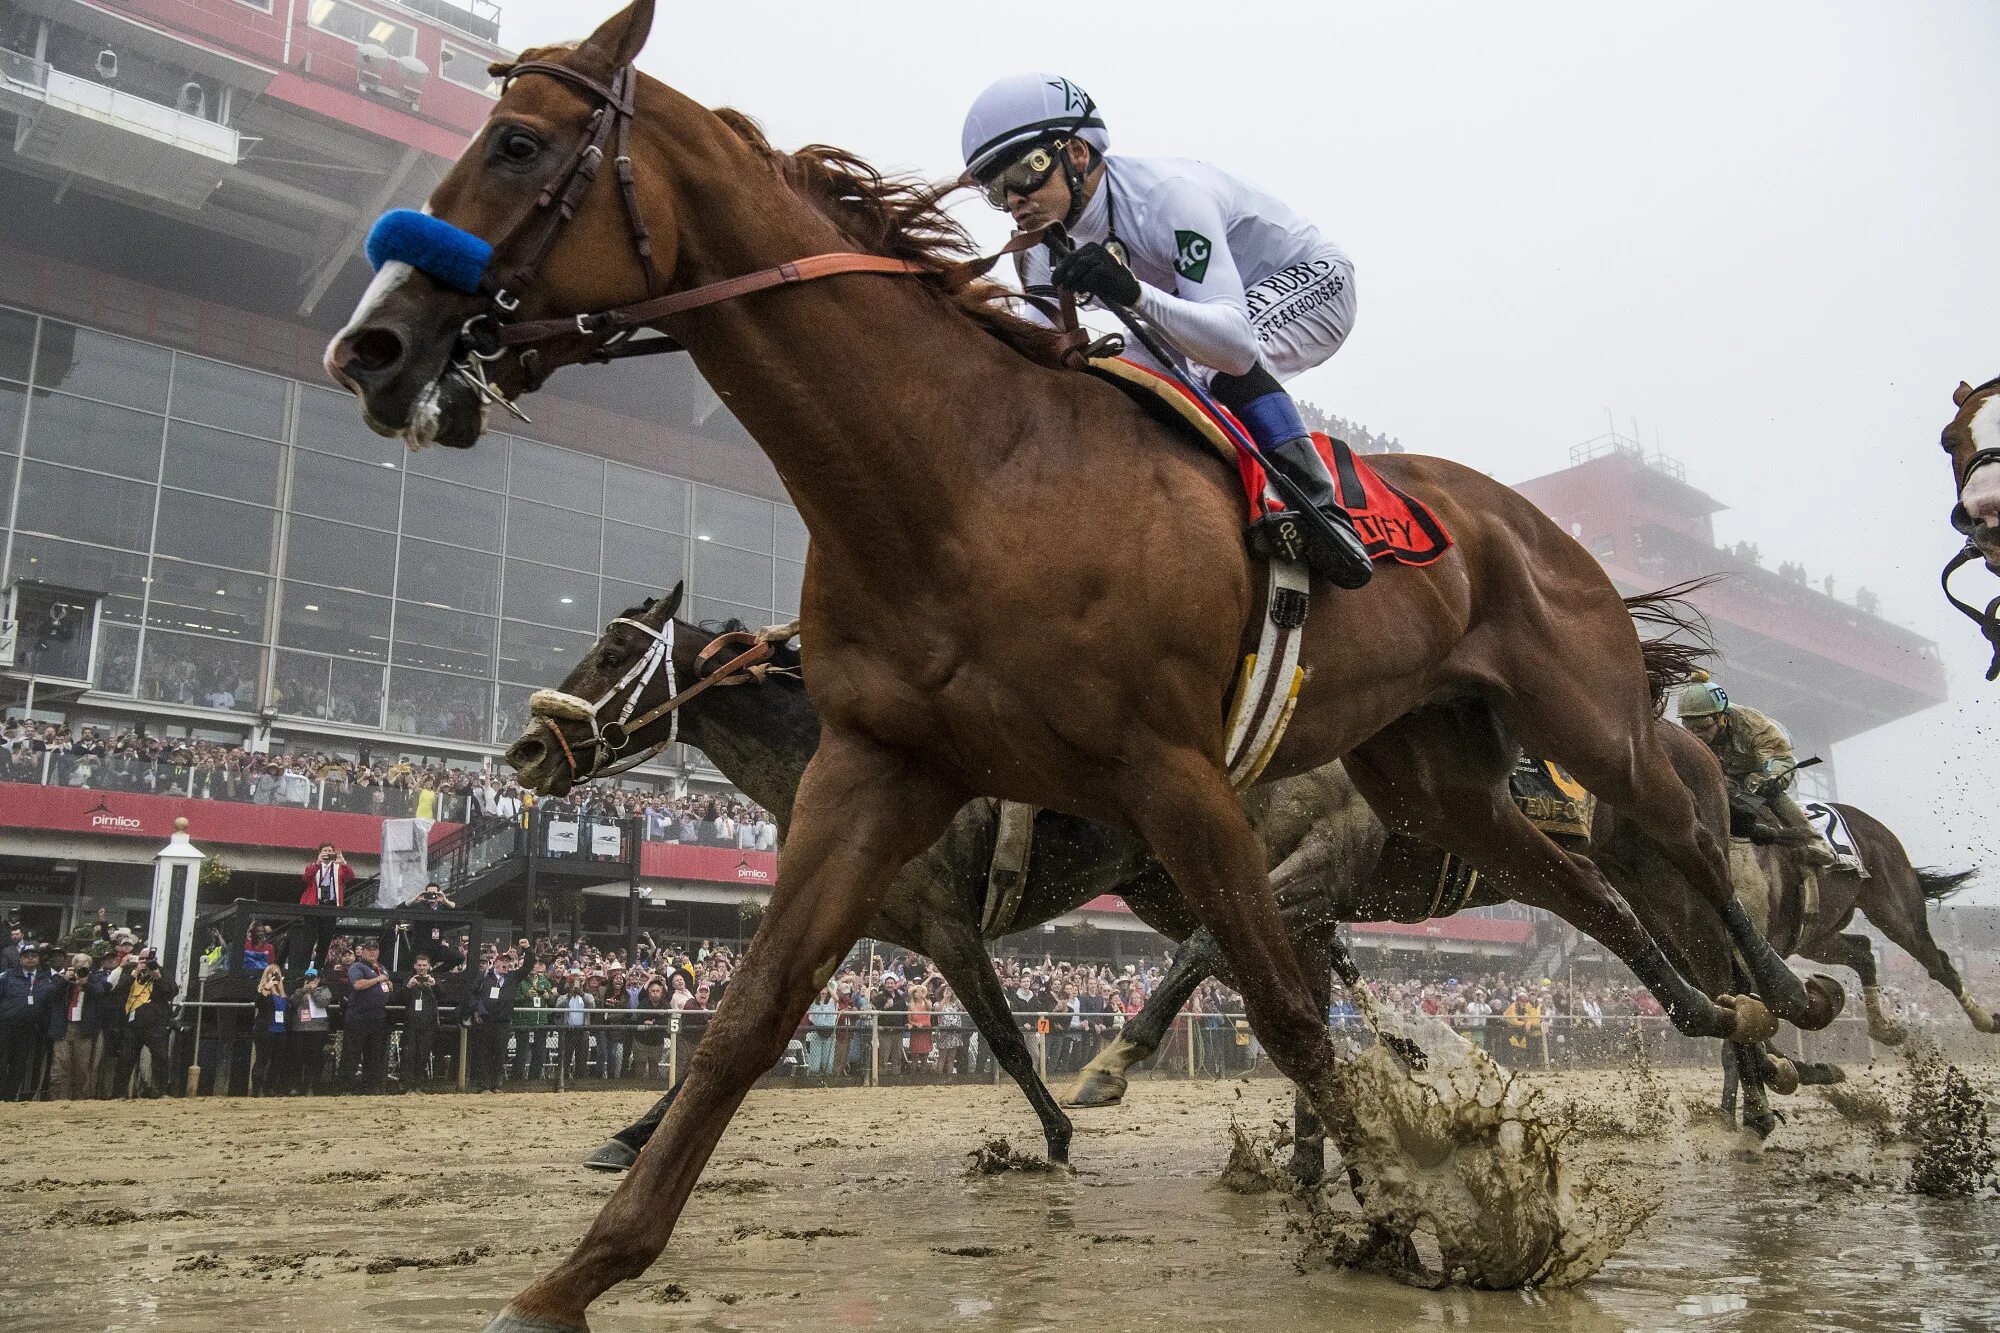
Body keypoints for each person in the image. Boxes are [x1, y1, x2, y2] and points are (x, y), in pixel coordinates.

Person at [961, 72, 1372, 589]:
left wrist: (1132, 293)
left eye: (1026, 172)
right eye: (995, 189)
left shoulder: (1167, 200)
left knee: (1206, 359)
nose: (1014, 200)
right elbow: (1043, 352)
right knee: (1112, 368)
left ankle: (1319, 510)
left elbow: (1234, 344)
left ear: (1079, 155)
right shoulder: (1040, 248)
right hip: (1214, 305)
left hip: (1313, 280)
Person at [1675, 677, 1845, 872]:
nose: (1697, 735)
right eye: (1691, 728)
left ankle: (1815, 841)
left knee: (1761, 785)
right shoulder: (1692, 735)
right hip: (1727, 774)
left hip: (1764, 768)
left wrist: (1774, 778)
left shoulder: (1751, 724)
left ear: (1721, 718)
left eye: (1704, 728)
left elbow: (1779, 758)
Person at [111, 949, 178, 1097]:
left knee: (160, 1056)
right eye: (141, 958)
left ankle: (160, 1092)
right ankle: (119, 1094)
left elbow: (171, 992)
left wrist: (157, 977)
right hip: (133, 1023)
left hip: (155, 1023)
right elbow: (118, 990)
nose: (144, 962)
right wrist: (134, 973)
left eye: (147, 959)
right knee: (126, 1058)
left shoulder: (161, 972)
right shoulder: (132, 973)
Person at [0, 942, 61, 1099]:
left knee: (19, 1065)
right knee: (1, 1062)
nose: (30, 959)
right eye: (26, 956)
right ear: (20, 959)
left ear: (38, 959)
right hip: (6, 1027)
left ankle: (8, 1098)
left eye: (33, 956)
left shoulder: (44, 979)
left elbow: (52, 998)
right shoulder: (7, 976)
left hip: (28, 1029)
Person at [343, 939, 393, 1092]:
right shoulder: (357, 966)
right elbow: (357, 985)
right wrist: (378, 980)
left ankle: (370, 1087)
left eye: (375, 950)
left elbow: (385, 987)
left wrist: (389, 985)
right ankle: (347, 1088)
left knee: (373, 1055)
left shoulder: (382, 968)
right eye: (369, 949)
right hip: (358, 1017)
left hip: (377, 1018)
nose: (373, 952)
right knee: (352, 1054)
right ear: (363, 951)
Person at [469, 952, 518, 1092]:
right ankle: (482, 1086)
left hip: (503, 1021)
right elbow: (473, 993)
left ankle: (495, 1085)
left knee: (499, 1054)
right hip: (485, 1020)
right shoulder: (485, 976)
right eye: (503, 960)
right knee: (483, 1053)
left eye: (508, 962)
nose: (506, 964)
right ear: (495, 963)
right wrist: (477, 1009)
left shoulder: (511, 978)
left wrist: (527, 948)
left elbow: (526, 967)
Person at [401, 954, 442, 1089]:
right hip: (411, 1024)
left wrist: (434, 985)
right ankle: (407, 1086)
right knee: (409, 1056)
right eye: (419, 965)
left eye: (424, 965)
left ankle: (419, 1085)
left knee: (423, 1055)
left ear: (429, 966)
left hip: (428, 1025)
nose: (422, 968)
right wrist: (408, 986)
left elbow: (443, 996)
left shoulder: (434, 980)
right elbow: (399, 998)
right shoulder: (409, 979)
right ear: (414, 966)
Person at [250, 964, 290, 1097]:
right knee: (262, 1059)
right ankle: (257, 1088)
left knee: (277, 1061)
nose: (274, 976)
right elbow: (259, 1003)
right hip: (265, 1030)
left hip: (280, 1030)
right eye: (272, 973)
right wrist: (267, 987)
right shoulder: (263, 991)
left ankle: (270, 1086)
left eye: (277, 973)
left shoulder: (283, 993)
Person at [300, 842, 353, 906]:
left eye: (330, 851)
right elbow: (306, 878)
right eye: (325, 851)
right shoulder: (313, 867)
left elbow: (350, 877)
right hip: (315, 903)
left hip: (333, 904)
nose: (327, 853)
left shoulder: (339, 868)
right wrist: (317, 863)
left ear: (333, 853)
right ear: (320, 853)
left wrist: (343, 863)